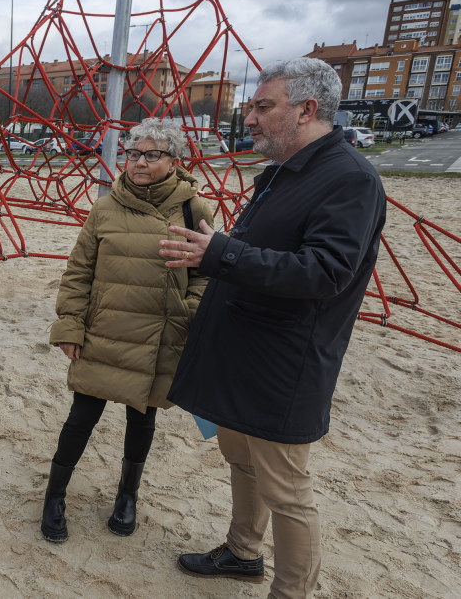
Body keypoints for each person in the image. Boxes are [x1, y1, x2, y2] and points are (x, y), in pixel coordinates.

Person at [159, 58, 386, 599]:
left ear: (306, 110)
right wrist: (215, 252)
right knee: (240, 458)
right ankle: (242, 551)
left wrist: (223, 253)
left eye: (264, 107)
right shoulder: (286, 170)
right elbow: (261, 250)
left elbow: (326, 271)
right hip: (243, 346)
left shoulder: (349, 178)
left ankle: (291, 593)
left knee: (286, 488)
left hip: (283, 360)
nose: (252, 119)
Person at [43, 117, 215, 543]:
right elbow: (79, 271)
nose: (139, 162)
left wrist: (185, 310)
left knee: (142, 418)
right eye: (133, 153)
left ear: (174, 161)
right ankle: (54, 494)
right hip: (106, 330)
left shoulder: (194, 209)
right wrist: (70, 325)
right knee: (81, 416)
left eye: (151, 155)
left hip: (159, 335)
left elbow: (208, 273)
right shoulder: (106, 206)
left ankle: (127, 495)